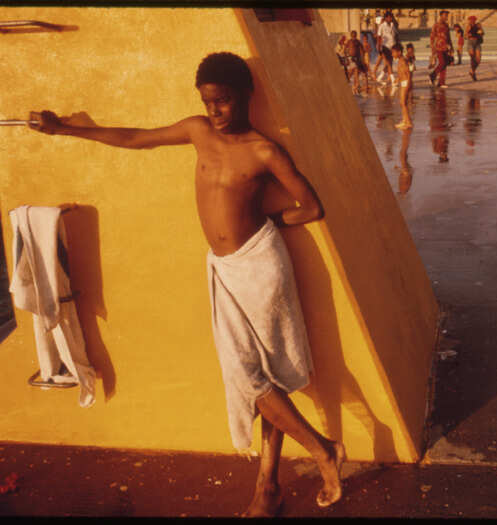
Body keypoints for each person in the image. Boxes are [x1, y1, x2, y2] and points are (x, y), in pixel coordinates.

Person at [27, 52, 345, 518]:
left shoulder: (264, 151)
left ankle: (303, 466)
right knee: (253, 376)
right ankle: (282, 479)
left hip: (261, 267)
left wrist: (274, 218)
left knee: (261, 376)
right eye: (208, 102)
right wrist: (66, 129)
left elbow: (311, 207)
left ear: (244, 96)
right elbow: (136, 138)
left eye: (224, 101)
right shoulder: (198, 131)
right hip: (222, 268)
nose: (215, 111)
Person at [373, 11, 399, 86]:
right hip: (385, 47)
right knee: (388, 63)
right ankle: (393, 80)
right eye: (389, 17)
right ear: (386, 18)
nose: (391, 19)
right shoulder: (382, 26)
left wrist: (397, 44)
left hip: (392, 47)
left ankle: (379, 78)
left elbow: (395, 35)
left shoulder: (392, 25)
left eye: (391, 17)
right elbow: (378, 36)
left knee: (389, 63)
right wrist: (378, 46)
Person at [429, 10, 453, 88]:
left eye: (447, 15)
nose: (446, 17)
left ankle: (441, 82)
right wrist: (433, 49)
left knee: (445, 64)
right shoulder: (436, 25)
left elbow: (449, 37)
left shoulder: (446, 25)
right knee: (442, 63)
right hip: (438, 47)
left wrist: (451, 47)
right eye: (445, 15)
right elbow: (432, 37)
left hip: (446, 47)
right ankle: (432, 75)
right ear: (441, 15)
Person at [392, 43, 413, 130]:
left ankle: (408, 122)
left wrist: (408, 84)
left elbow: (408, 73)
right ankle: (405, 120)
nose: (392, 54)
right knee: (402, 103)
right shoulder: (400, 60)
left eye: (393, 52)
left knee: (403, 103)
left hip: (406, 83)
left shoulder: (403, 61)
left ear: (399, 52)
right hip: (403, 82)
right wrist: (398, 79)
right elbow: (402, 73)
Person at [345, 30, 369, 94]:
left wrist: (362, 58)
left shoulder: (357, 42)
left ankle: (355, 85)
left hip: (356, 59)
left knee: (355, 71)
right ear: (351, 36)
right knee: (354, 71)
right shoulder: (351, 41)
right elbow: (345, 49)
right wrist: (347, 57)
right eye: (353, 35)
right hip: (352, 59)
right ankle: (355, 85)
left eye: (354, 35)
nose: (354, 37)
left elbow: (362, 50)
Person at [465, 15, 484, 81]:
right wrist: (468, 34)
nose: (472, 21)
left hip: (477, 42)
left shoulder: (478, 25)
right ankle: (473, 72)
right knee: (473, 58)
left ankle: (472, 71)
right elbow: (465, 36)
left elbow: (482, 33)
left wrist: (480, 32)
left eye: (473, 20)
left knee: (478, 60)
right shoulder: (468, 26)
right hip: (471, 42)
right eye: (471, 20)